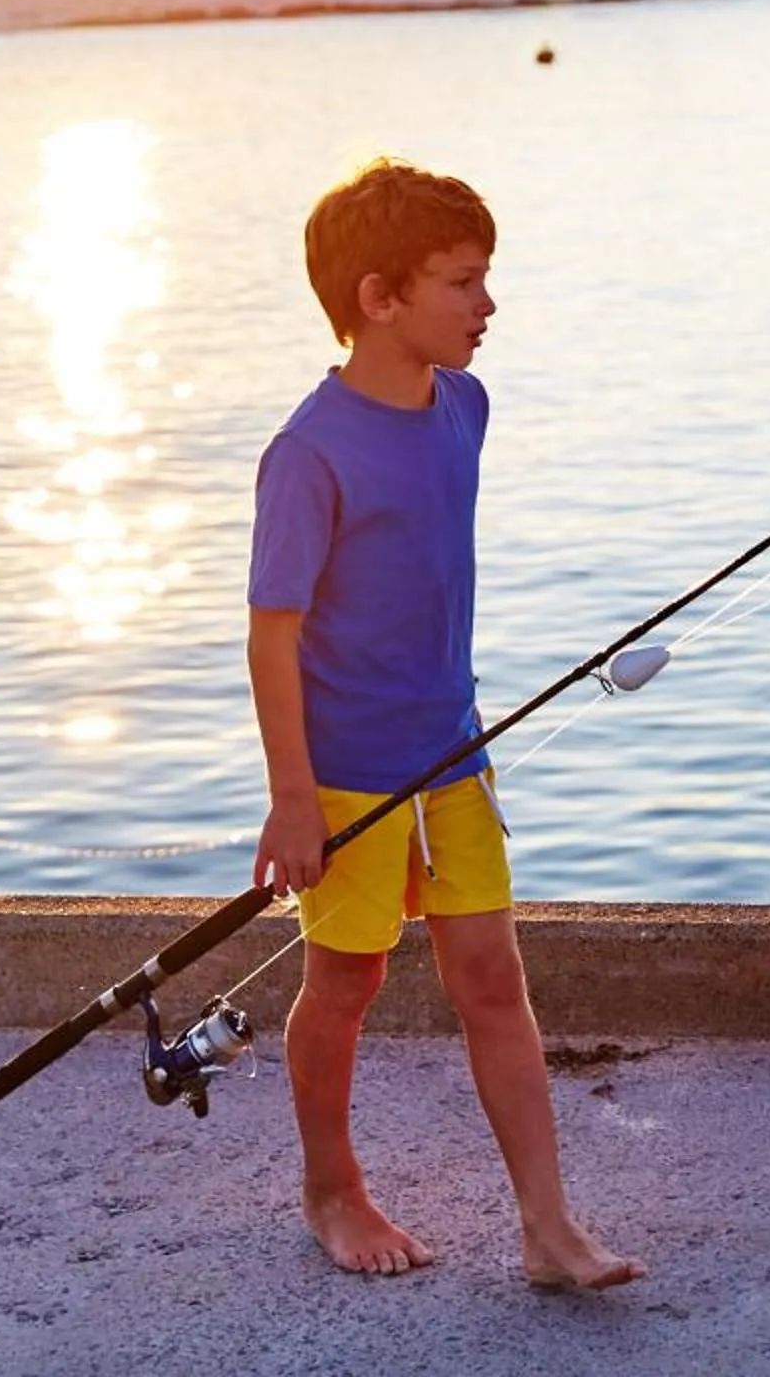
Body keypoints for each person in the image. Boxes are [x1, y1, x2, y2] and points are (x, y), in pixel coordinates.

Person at [246, 158, 644, 1289]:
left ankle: (548, 1227)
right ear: (379, 297)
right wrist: (292, 798)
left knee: (492, 980)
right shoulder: (308, 454)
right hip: (349, 779)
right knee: (345, 983)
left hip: (457, 757)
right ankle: (333, 1190)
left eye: (485, 278)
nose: (488, 303)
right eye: (462, 282)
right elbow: (271, 637)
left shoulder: (466, 406)